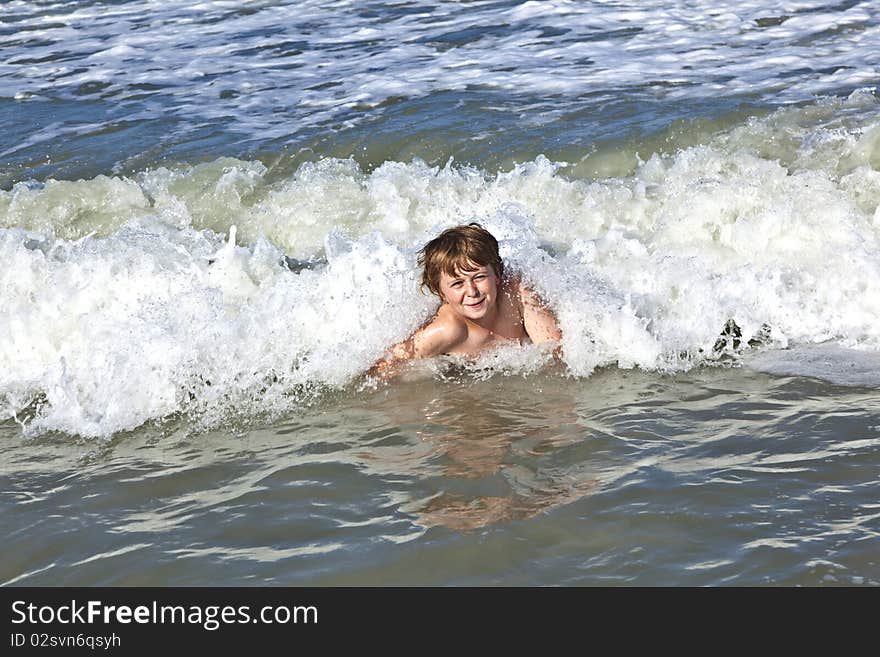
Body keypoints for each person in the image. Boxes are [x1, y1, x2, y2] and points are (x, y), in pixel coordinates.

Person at [369, 223, 562, 379]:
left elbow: (556, 351)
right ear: (440, 292)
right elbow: (383, 368)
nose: (472, 291)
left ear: (496, 275)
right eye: (457, 283)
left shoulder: (517, 294)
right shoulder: (447, 330)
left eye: (479, 277)